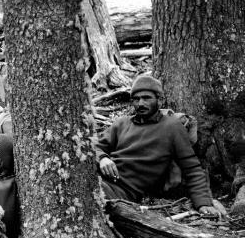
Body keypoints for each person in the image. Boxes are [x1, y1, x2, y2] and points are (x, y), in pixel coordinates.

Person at [95, 75, 226, 218]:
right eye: (136, 99)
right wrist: (102, 158)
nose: (140, 103)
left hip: (121, 191)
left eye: (146, 98)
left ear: (160, 99)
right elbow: (93, 148)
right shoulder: (121, 123)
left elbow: (192, 169)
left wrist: (203, 203)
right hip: (97, 176)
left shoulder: (171, 127)